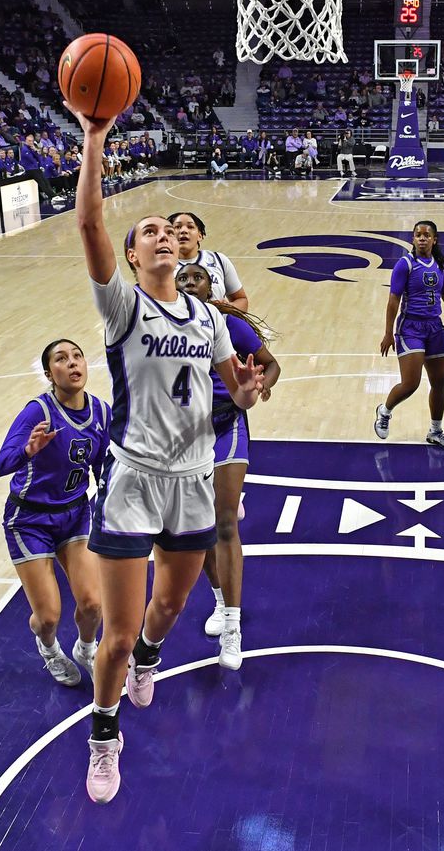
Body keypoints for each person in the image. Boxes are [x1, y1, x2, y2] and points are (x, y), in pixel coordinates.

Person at [71, 108, 264, 805]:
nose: (160, 235)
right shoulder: (123, 308)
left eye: (166, 231)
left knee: (173, 604)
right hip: (131, 479)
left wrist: (245, 388)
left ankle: (154, 655)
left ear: (184, 254)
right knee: (116, 640)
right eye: (147, 231)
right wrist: (95, 138)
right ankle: (103, 736)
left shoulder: (208, 317)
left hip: (191, 480)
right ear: (131, 257)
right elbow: (91, 224)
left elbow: (235, 388)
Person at [175, 264, 280, 668]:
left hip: (226, 421)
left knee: (223, 523)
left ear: (210, 285)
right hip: (185, 433)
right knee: (199, 527)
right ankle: (219, 601)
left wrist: (260, 384)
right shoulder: (164, 330)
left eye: (196, 278)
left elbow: (271, 363)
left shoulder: (227, 324)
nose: (188, 284)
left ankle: (233, 628)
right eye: (182, 279)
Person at [0, 339, 107, 687]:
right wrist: (27, 451)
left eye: (77, 356)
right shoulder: (38, 412)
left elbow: (103, 468)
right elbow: (0, 465)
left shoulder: (101, 411)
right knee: (48, 615)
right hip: (30, 521)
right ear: (48, 373)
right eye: (61, 359)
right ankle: (49, 648)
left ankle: (86, 649)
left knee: (92, 603)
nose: (72, 363)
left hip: (74, 513)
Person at [373, 220, 444, 448]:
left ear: (434, 239)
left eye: (426, 235)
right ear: (412, 239)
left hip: (435, 327)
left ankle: (436, 431)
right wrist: (388, 333)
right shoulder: (405, 264)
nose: (421, 238)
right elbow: (393, 301)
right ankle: (384, 411)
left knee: (439, 383)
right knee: (411, 384)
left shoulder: (440, 264)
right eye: (417, 235)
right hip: (410, 327)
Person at [169, 211, 249, 311]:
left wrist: (229, 308)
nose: (183, 231)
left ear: (200, 235)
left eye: (190, 227)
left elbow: (241, 300)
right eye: (177, 227)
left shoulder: (218, 259)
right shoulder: (162, 267)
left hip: (219, 325)